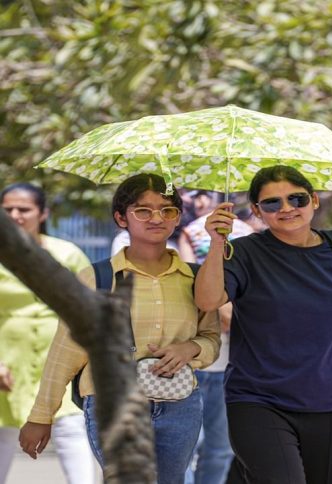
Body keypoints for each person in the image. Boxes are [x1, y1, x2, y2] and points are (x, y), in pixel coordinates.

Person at [194, 165, 332, 484]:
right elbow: (208, 301)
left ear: (314, 201)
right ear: (256, 211)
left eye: (296, 199)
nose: (286, 209)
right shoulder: (243, 253)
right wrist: (216, 243)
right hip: (259, 401)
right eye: (271, 203)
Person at [19, 174, 220, 484]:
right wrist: (41, 417)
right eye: (143, 210)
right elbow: (65, 353)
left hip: (180, 406)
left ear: (178, 217)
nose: (157, 218)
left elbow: (210, 340)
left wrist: (190, 348)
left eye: (168, 210)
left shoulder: (195, 278)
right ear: (120, 217)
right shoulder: (98, 278)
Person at [0, 183, 96, 484]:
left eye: (24, 209)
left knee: (71, 431)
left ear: (43, 213)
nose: (15, 215)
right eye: (8, 210)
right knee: (4, 436)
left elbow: (88, 309)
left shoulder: (67, 254)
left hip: (59, 363)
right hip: (7, 365)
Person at [178, 190, 254, 484]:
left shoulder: (249, 237)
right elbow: (191, 285)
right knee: (184, 449)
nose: (199, 201)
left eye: (205, 195)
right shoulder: (190, 233)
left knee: (220, 450)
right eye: (194, 195)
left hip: (232, 367)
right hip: (192, 363)